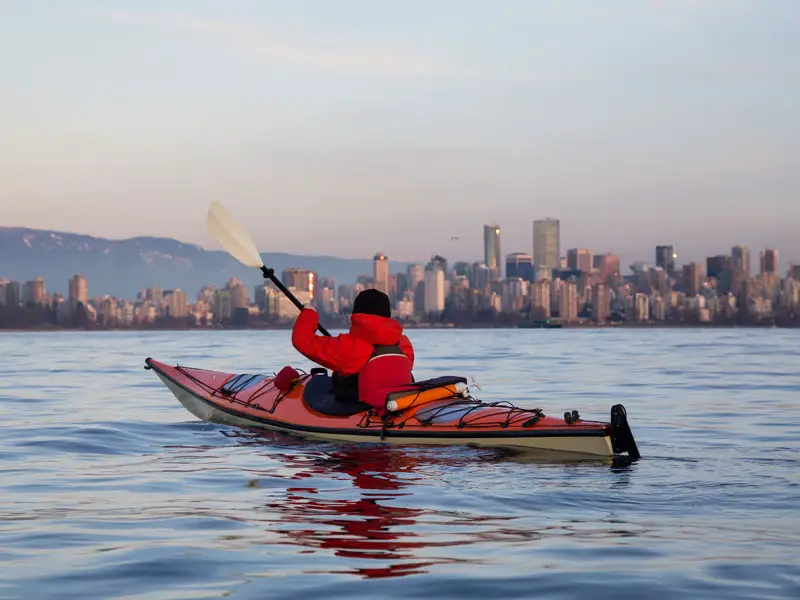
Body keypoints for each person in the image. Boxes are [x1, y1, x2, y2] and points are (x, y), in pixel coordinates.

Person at [291, 289, 414, 412]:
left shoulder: (348, 347)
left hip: (357, 407)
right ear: (388, 315)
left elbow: (302, 341)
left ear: (356, 314)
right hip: (397, 404)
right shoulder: (403, 344)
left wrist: (308, 313)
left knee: (318, 381)